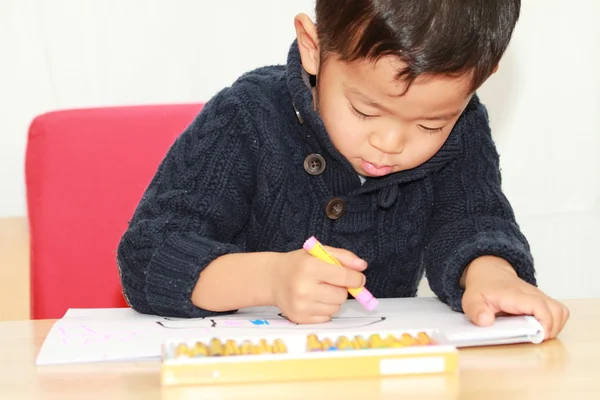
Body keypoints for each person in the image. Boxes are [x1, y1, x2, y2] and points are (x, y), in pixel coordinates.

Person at [116, 0, 569, 340]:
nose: (390, 144)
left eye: (431, 123)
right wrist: (270, 279)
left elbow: (471, 222)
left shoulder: (463, 131)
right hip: (238, 374)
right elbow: (148, 254)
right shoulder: (246, 117)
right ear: (314, 49)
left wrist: (492, 276)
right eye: (364, 110)